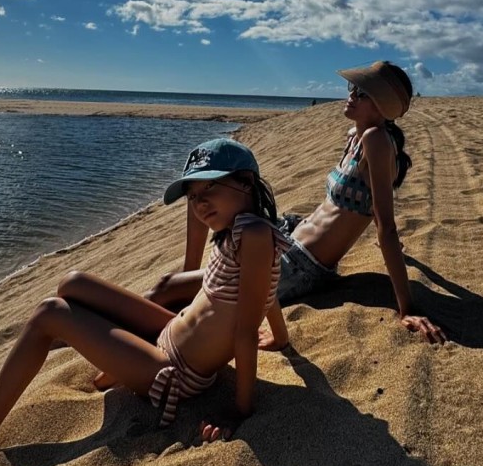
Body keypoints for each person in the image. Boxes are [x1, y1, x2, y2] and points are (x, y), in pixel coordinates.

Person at [0, 138, 290, 451]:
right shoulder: (239, 229)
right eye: (194, 195)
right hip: (169, 334)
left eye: (211, 187)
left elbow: (246, 327)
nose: (200, 204)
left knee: (49, 312)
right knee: (72, 283)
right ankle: (96, 346)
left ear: (246, 182)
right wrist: (280, 334)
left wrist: (241, 409)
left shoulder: (255, 234)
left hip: (175, 371)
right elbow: (263, 291)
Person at [151, 61, 444, 346]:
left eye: (362, 94)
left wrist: (407, 308)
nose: (351, 96)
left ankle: (144, 323)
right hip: (290, 230)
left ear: (382, 105)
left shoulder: (376, 139)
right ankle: (188, 275)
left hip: (301, 265)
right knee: (200, 187)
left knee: (166, 286)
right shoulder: (356, 135)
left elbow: (386, 224)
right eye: (352, 88)